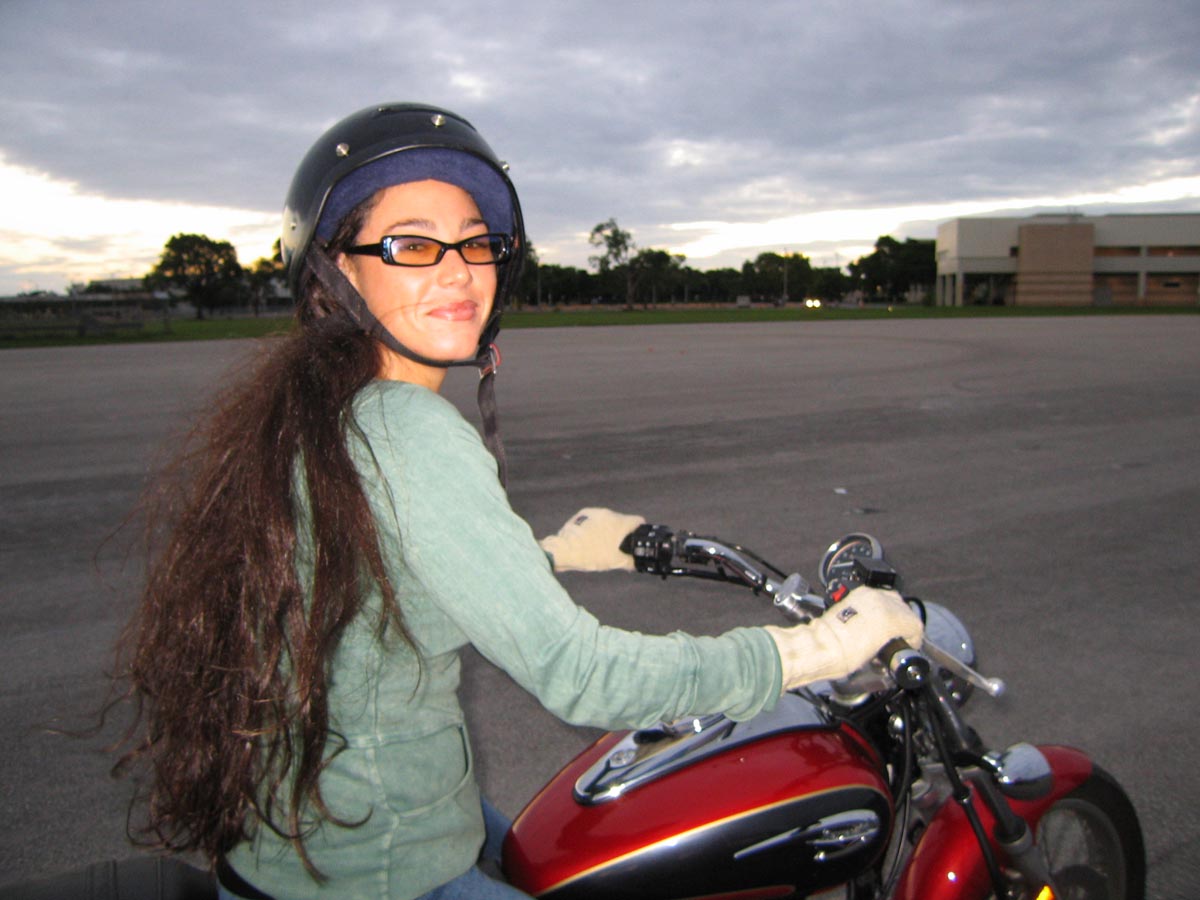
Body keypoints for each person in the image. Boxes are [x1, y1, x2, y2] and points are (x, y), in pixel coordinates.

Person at [114, 102, 923, 900]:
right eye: (412, 244)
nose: (459, 270)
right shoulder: (407, 430)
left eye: (476, 242)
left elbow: (393, 579)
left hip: (314, 838)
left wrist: (553, 553)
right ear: (340, 270)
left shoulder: (328, 412)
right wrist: (814, 651)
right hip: (381, 875)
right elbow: (581, 675)